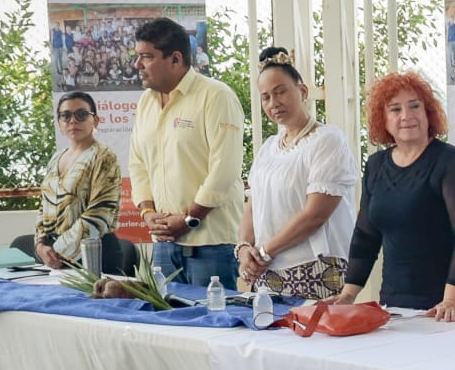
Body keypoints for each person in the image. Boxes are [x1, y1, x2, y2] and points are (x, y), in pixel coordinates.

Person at [333, 72, 455, 320]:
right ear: (383, 119)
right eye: (395, 109)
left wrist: (452, 301)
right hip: (396, 300)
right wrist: (347, 295)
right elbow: (366, 236)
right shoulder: (375, 165)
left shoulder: (453, 162)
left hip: (452, 303)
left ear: (429, 112)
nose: (406, 116)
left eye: (414, 106)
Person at [128, 17, 245, 288]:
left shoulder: (216, 96)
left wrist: (190, 219)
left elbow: (224, 169)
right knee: (167, 316)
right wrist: (148, 213)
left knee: (212, 316)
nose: (137, 65)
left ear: (175, 59)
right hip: (164, 245)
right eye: (137, 56)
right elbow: (138, 164)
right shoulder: (146, 102)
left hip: (211, 244)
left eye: (147, 57)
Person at [236, 47, 358, 300]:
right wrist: (245, 248)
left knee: (315, 327)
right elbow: (252, 205)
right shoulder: (269, 147)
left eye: (280, 92)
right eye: (265, 97)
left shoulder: (327, 140)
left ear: (302, 91)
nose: (273, 103)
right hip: (267, 271)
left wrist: (264, 252)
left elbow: (315, 215)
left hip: (316, 269)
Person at [33, 92, 122, 271]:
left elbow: (100, 212)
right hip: (54, 257)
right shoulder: (56, 158)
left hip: (94, 254)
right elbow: (44, 208)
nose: (73, 120)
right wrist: (40, 246)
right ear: (59, 123)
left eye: (81, 114)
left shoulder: (104, 157)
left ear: (95, 120)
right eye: (66, 115)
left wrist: (59, 251)